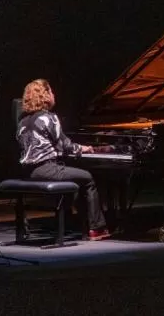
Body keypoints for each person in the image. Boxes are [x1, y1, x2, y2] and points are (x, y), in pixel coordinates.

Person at [16, 79, 111, 241]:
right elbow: (65, 145)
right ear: (45, 95)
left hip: (28, 172)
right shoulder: (49, 118)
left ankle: (72, 222)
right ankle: (97, 228)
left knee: (77, 177)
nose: (54, 94)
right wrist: (83, 148)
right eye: (51, 91)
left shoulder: (22, 122)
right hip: (47, 169)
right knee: (88, 178)